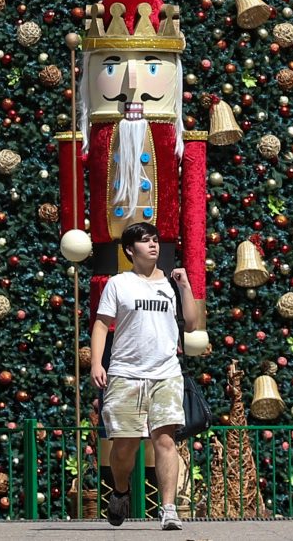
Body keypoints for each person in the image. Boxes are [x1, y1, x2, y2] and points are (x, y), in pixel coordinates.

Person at [90, 222, 201, 532]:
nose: (153, 245)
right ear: (130, 250)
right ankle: (121, 490)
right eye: (144, 241)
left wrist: (185, 286)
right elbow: (101, 324)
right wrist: (97, 363)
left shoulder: (170, 284)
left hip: (166, 373)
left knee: (166, 441)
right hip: (125, 373)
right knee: (124, 447)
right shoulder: (119, 283)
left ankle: (169, 510)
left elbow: (191, 325)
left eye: (155, 240)